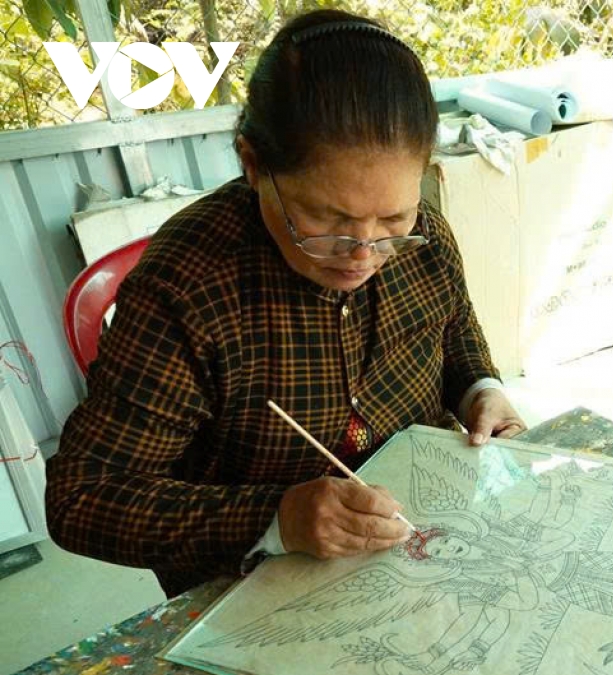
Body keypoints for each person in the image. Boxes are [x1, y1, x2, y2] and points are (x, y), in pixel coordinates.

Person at [45, 9, 525, 598]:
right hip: (260, 582)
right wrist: (276, 518)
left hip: (420, 542)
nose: (363, 253)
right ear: (253, 164)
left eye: (392, 219)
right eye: (326, 219)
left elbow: (454, 337)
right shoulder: (187, 286)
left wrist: (481, 391)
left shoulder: (423, 238)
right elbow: (82, 498)